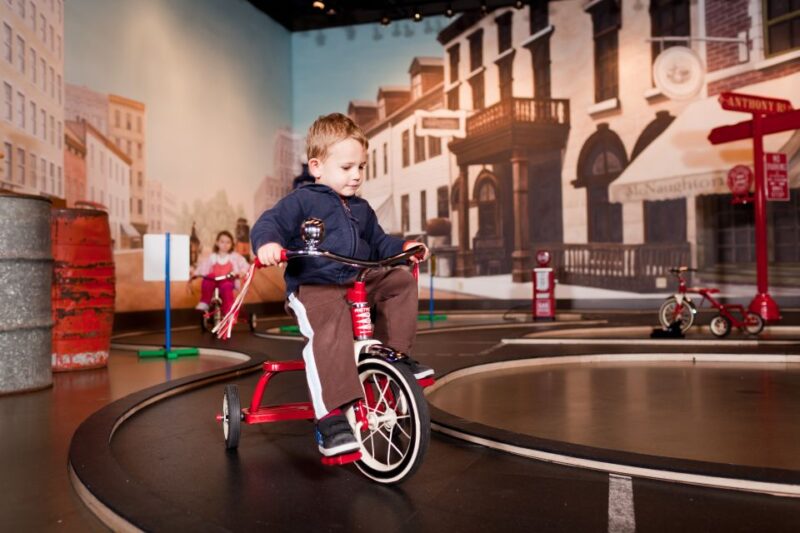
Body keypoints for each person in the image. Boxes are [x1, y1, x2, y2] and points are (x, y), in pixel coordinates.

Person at [251, 112, 433, 458]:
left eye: (361, 167)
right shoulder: (302, 200)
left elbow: (380, 244)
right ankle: (331, 418)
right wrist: (268, 244)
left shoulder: (362, 209)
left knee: (399, 280)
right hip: (315, 287)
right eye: (347, 167)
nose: (356, 176)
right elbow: (269, 222)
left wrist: (403, 249)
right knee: (331, 328)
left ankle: (397, 356)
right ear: (317, 167)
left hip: (357, 281)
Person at [193, 230, 249, 316]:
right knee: (209, 277)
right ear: (217, 243)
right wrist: (196, 274)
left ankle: (228, 312)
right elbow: (203, 267)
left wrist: (242, 271)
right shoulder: (213, 257)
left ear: (231, 244)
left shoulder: (234, 256)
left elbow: (244, 265)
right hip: (214, 282)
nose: (225, 245)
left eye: (228, 242)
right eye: (222, 242)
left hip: (228, 281)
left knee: (226, 287)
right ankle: (205, 302)